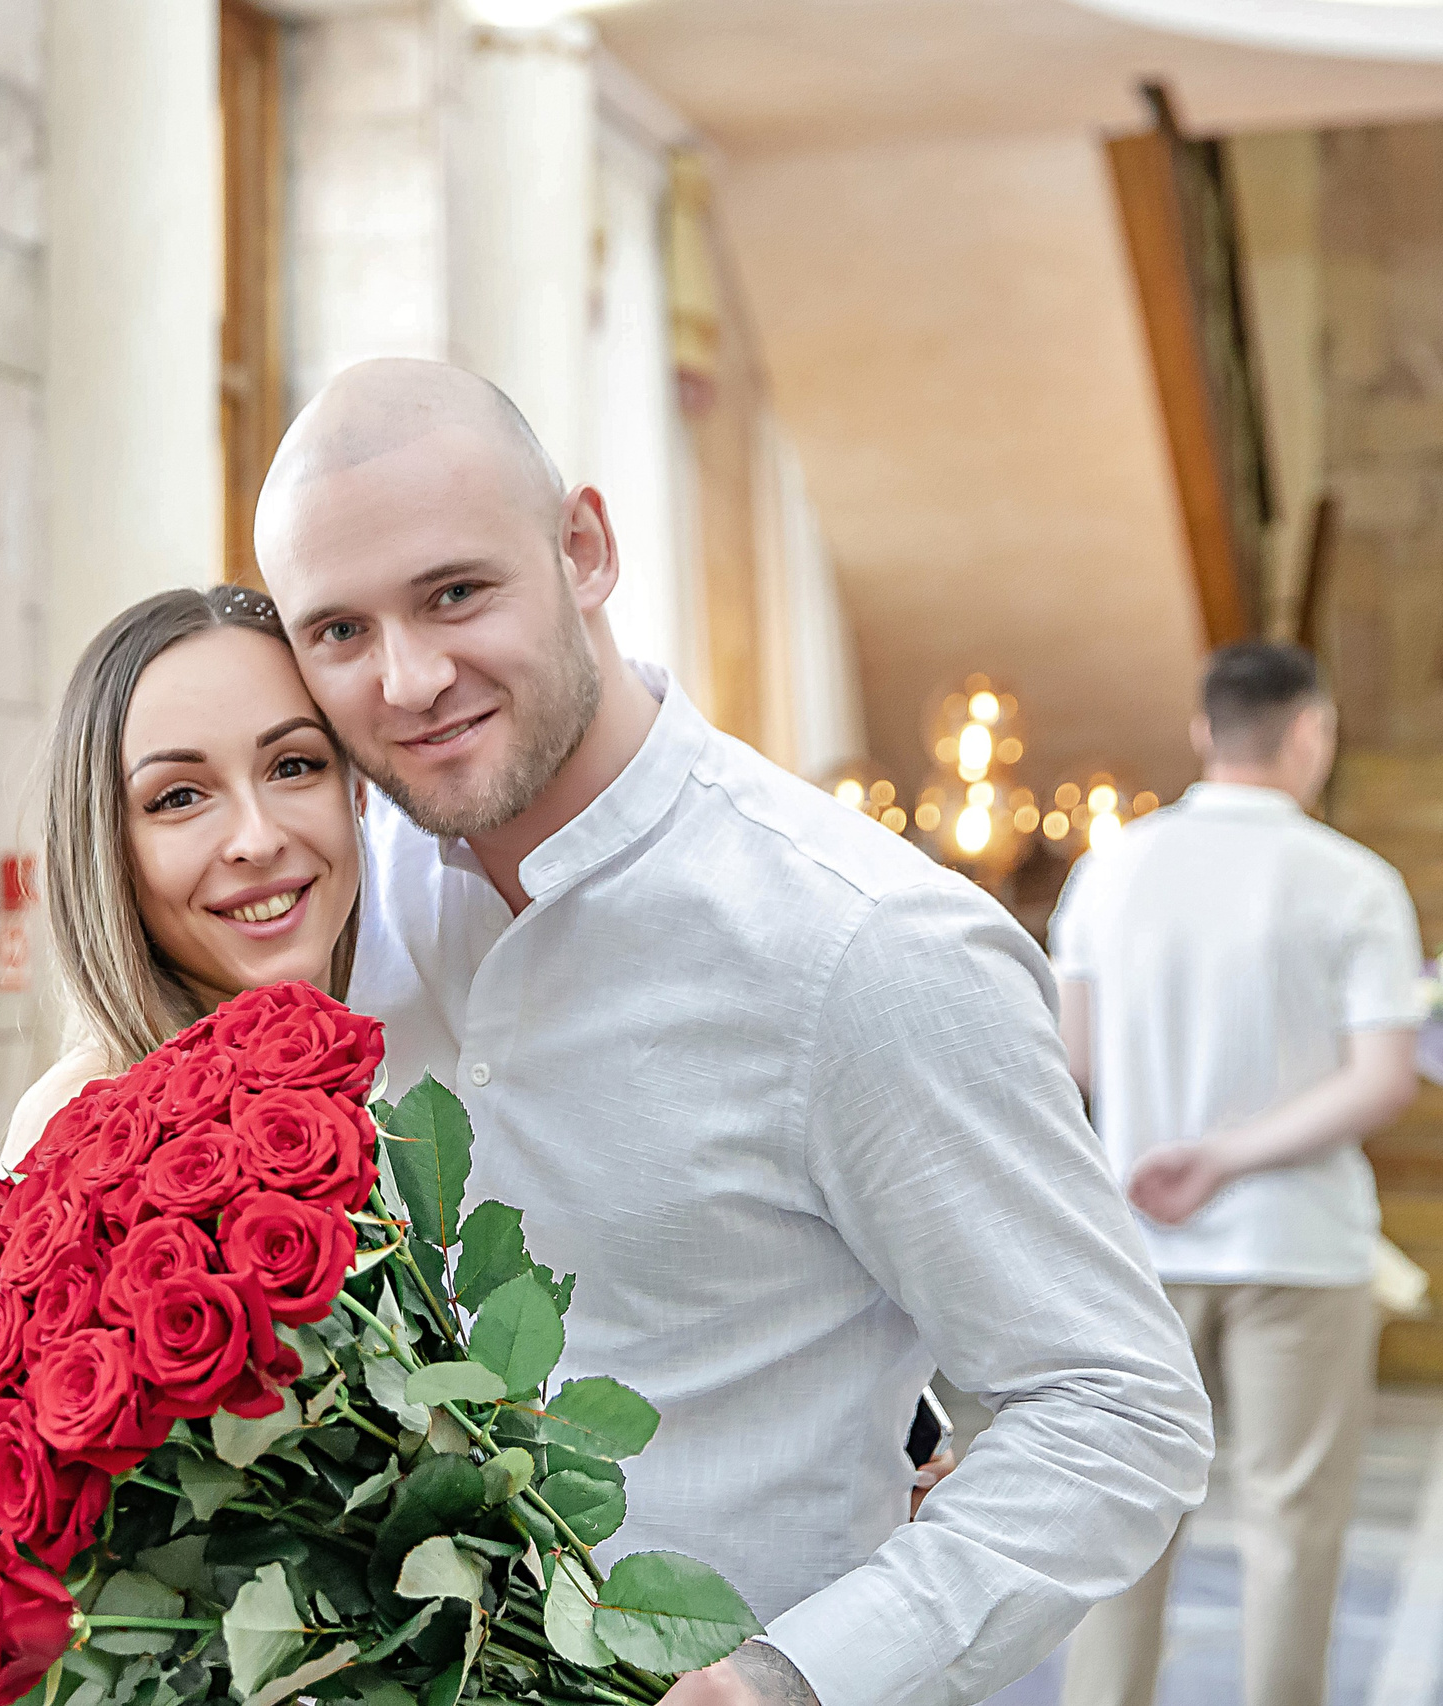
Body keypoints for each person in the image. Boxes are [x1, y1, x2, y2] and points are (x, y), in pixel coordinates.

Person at [248, 357, 1213, 1706]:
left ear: (584, 548)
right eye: (339, 632)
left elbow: (1118, 1410)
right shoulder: (329, 912)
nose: (408, 679)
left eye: (456, 592)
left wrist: (793, 1675)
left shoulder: (864, 944)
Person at [1052, 643, 1424, 1706]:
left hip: (1133, 1246)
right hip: (1296, 1244)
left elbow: (1066, 1065)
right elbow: (1382, 1077)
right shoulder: (1354, 881)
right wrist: (1225, 1156)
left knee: (1125, 1519)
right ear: (1311, 731)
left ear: (1202, 732)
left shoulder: (1108, 867)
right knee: (1289, 1530)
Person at [0, 583, 366, 1257]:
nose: (258, 838)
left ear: (357, 788)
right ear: (105, 853)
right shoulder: (85, 1122)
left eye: (293, 765)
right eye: (179, 797)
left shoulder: (398, 1037)